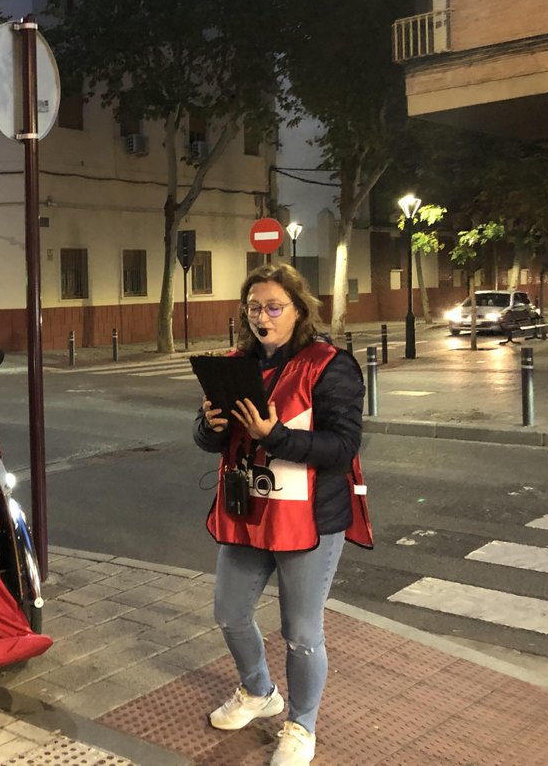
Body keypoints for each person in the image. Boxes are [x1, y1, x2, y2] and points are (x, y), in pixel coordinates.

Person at [193, 263, 372, 766]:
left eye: (274, 307)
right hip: (248, 511)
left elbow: (342, 446)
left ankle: (301, 724)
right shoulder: (234, 364)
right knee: (229, 613)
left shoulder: (330, 365)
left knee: (301, 632)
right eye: (253, 307)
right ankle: (258, 692)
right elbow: (209, 439)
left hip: (310, 520)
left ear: (299, 310)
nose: (262, 317)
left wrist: (275, 437)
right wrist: (210, 427)